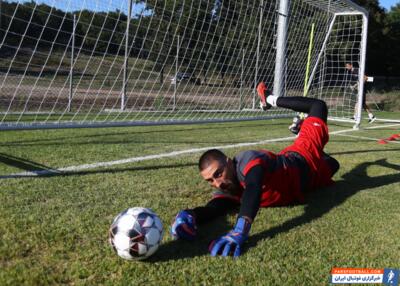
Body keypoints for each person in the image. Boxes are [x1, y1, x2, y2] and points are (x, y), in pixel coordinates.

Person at [170, 85, 340, 257]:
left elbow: (253, 187)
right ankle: (301, 128)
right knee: (334, 165)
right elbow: (214, 208)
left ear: (229, 163)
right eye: (210, 181)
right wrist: (190, 215)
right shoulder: (227, 187)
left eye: (218, 173)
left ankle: (269, 99)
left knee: (318, 106)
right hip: (310, 182)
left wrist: (240, 230)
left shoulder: (246, 160)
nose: (217, 183)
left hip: (302, 157)